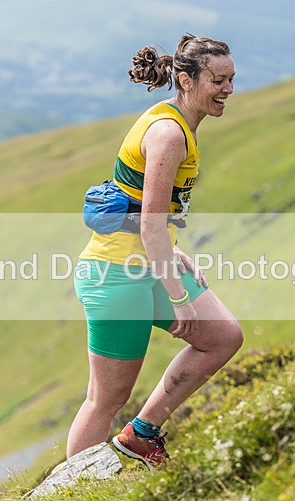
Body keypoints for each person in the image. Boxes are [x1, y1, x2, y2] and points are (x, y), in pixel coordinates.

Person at [67, 34, 243, 470]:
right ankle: (72, 489)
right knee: (105, 399)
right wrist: (179, 297)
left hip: (146, 263)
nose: (228, 90)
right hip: (115, 274)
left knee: (223, 337)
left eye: (232, 79)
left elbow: (153, 216)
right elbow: (148, 224)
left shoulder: (179, 124)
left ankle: (142, 435)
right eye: (218, 80)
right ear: (185, 79)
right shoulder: (168, 134)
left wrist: (174, 252)